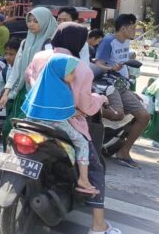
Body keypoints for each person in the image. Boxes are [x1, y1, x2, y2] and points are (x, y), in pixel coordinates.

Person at [25, 22, 115, 234]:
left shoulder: (40, 57)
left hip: (33, 116)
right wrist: (100, 99)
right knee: (95, 167)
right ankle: (98, 224)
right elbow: (85, 106)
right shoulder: (78, 66)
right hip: (66, 121)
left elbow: (30, 79)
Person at [23, 53, 98, 194]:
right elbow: (67, 113)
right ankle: (83, 179)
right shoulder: (62, 90)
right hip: (55, 124)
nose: (74, 74)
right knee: (81, 142)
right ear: (60, 71)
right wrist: (81, 113)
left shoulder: (40, 85)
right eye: (71, 71)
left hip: (31, 122)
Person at [0, 6, 58, 150]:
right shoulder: (25, 43)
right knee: (8, 129)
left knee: (26, 132)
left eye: (35, 21)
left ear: (45, 22)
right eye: (29, 20)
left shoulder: (51, 44)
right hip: (22, 93)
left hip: (39, 95)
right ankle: (8, 158)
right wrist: (6, 92)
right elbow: (16, 70)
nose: (31, 24)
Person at [94, 13, 149, 168]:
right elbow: (98, 64)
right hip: (109, 85)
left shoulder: (125, 42)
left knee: (144, 116)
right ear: (123, 28)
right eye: (133, 28)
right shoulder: (108, 41)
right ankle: (90, 110)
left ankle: (123, 152)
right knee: (118, 115)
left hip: (122, 85)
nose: (135, 31)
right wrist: (110, 68)